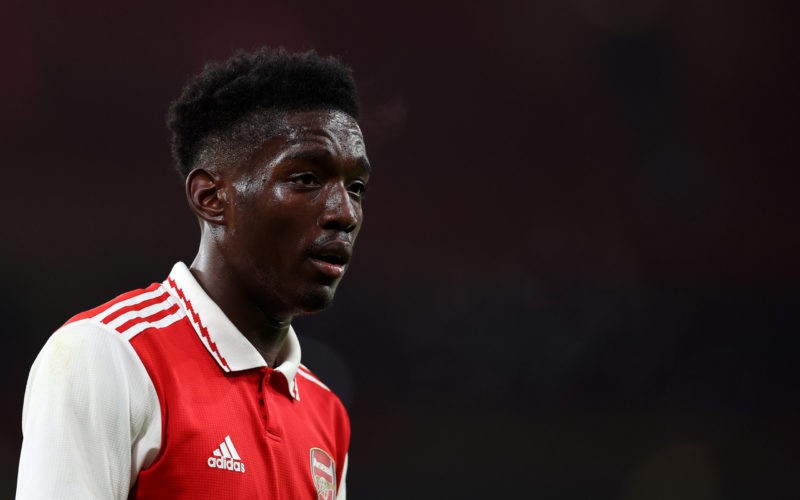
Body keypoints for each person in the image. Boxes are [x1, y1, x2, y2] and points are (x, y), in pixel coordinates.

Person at [16, 47, 369, 499]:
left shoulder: (327, 414)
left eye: (356, 188)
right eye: (304, 178)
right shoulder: (106, 357)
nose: (345, 213)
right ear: (211, 198)